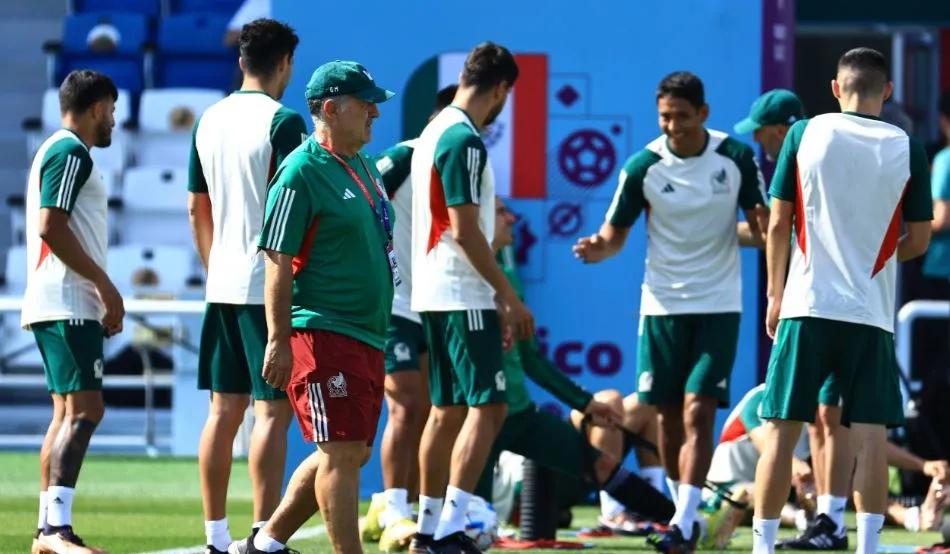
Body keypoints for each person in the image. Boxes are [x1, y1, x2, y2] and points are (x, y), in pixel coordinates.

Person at [573, 70, 768, 553]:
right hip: (661, 307)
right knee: (666, 417)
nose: (673, 126)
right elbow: (613, 236)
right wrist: (597, 249)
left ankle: (682, 519)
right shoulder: (644, 166)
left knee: (698, 410)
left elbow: (765, 228)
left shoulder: (735, 157)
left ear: (703, 113)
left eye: (682, 116)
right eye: (664, 117)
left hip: (718, 306)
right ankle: (686, 513)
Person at [752, 47, 933, 554]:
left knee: (781, 431)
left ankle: (762, 548)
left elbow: (779, 224)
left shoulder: (803, 134)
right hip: (869, 314)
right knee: (869, 434)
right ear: (887, 91)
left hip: (805, 306)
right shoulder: (908, 147)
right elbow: (919, 240)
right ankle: (867, 547)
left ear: (835, 88)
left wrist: (774, 294)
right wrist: (877, 259)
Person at [244, 59, 397, 554]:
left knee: (350, 450)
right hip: (323, 330)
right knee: (342, 450)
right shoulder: (300, 171)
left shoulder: (362, 164)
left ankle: (265, 544)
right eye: (365, 103)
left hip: (366, 333)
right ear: (331, 109)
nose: (375, 112)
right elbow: (276, 258)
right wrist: (277, 339)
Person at [410, 42, 535, 554]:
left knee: (446, 411)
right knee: (490, 407)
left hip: (434, 291)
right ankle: (448, 530)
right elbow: (463, 230)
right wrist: (507, 295)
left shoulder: (433, 130)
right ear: (502, 88)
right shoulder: (463, 137)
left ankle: (427, 531)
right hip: (461, 292)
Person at [187, 19, 305, 554]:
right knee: (272, 413)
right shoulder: (283, 121)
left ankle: (215, 536)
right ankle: (262, 535)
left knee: (222, 412)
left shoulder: (208, 119)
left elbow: (197, 208)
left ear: (241, 61)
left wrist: (217, 267)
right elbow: (295, 210)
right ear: (285, 63)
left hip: (223, 284)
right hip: (268, 287)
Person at [735, 89, 857, 548]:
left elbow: (781, 226)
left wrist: (775, 294)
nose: (759, 142)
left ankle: (832, 521)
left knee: (827, 418)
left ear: (780, 130)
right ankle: (828, 521)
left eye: (762, 133)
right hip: (830, 301)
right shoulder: (828, 150)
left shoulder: (809, 152)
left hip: (828, 304)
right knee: (823, 417)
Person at [24, 69, 123, 554]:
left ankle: (47, 530)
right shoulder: (70, 152)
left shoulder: (56, 149)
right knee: (86, 409)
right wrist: (104, 284)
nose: (114, 121)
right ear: (98, 106)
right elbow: (51, 226)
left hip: (57, 300)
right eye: (112, 110)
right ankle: (55, 530)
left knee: (65, 412)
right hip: (67, 300)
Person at [361, 84, 460, 549]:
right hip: (395, 304)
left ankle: (406, 507)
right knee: (404, 405)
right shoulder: (404, 157)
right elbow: (362, 203)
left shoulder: (463, 161)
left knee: (426, 411)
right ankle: (395, 510)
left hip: (434, 305)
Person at [924, 91, 950, 282]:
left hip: (942, 266)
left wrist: (908, 228)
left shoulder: (945, 160)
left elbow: (942, 220)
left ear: (942, 119)